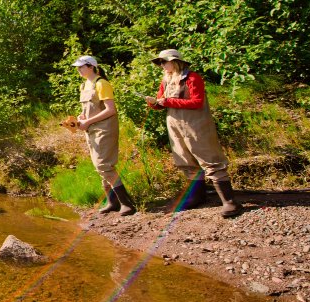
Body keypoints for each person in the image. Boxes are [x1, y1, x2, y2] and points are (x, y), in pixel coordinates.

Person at [145, 49, 242, 218]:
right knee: (186, 161)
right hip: (175, 126)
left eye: (163, 62)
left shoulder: (192, 77)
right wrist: (154, 104)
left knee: (211, 160)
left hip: (197, 126)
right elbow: (162, 102)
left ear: (174, 61)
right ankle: (197, 196)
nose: (161, 65)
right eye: (159, 62)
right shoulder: (166, 80)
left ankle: (229, 202)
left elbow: (197, 102)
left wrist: (167, 101)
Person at [73, 56, 136, 216]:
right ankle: (112, 202)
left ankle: (127, 204)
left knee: (104, 165)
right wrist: (81, 117)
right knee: (99, 166)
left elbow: (110, 110)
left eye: (81, 67)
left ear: (91, 67)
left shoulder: (102, 84)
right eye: (78, 67)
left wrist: (88, 122)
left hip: (105, 130)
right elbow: (88, 108)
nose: (79, 70)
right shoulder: (84, 85)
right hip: (91, 130)